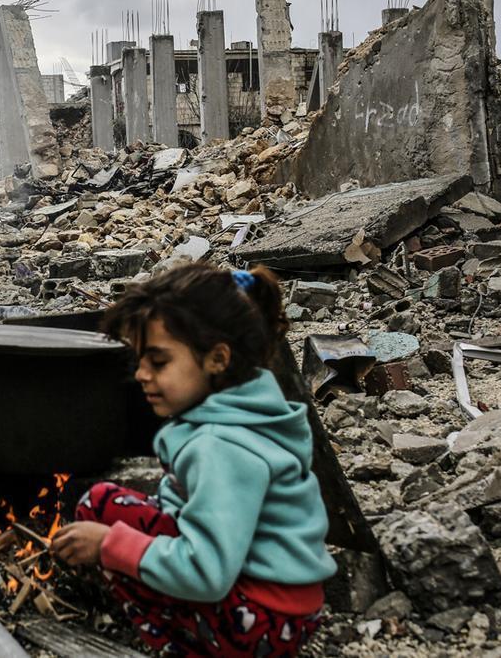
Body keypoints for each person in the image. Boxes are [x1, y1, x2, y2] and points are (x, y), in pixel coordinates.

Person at [51, 263, 335, 657]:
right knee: (101, 503)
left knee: (106, 528)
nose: (142, 375)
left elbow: (207, 575)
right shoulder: (248, 409)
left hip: (260, 620)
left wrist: (109, 546)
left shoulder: (220, 447)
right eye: (139, 361)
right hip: (280, 607)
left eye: (159, 361)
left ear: (217, 358)